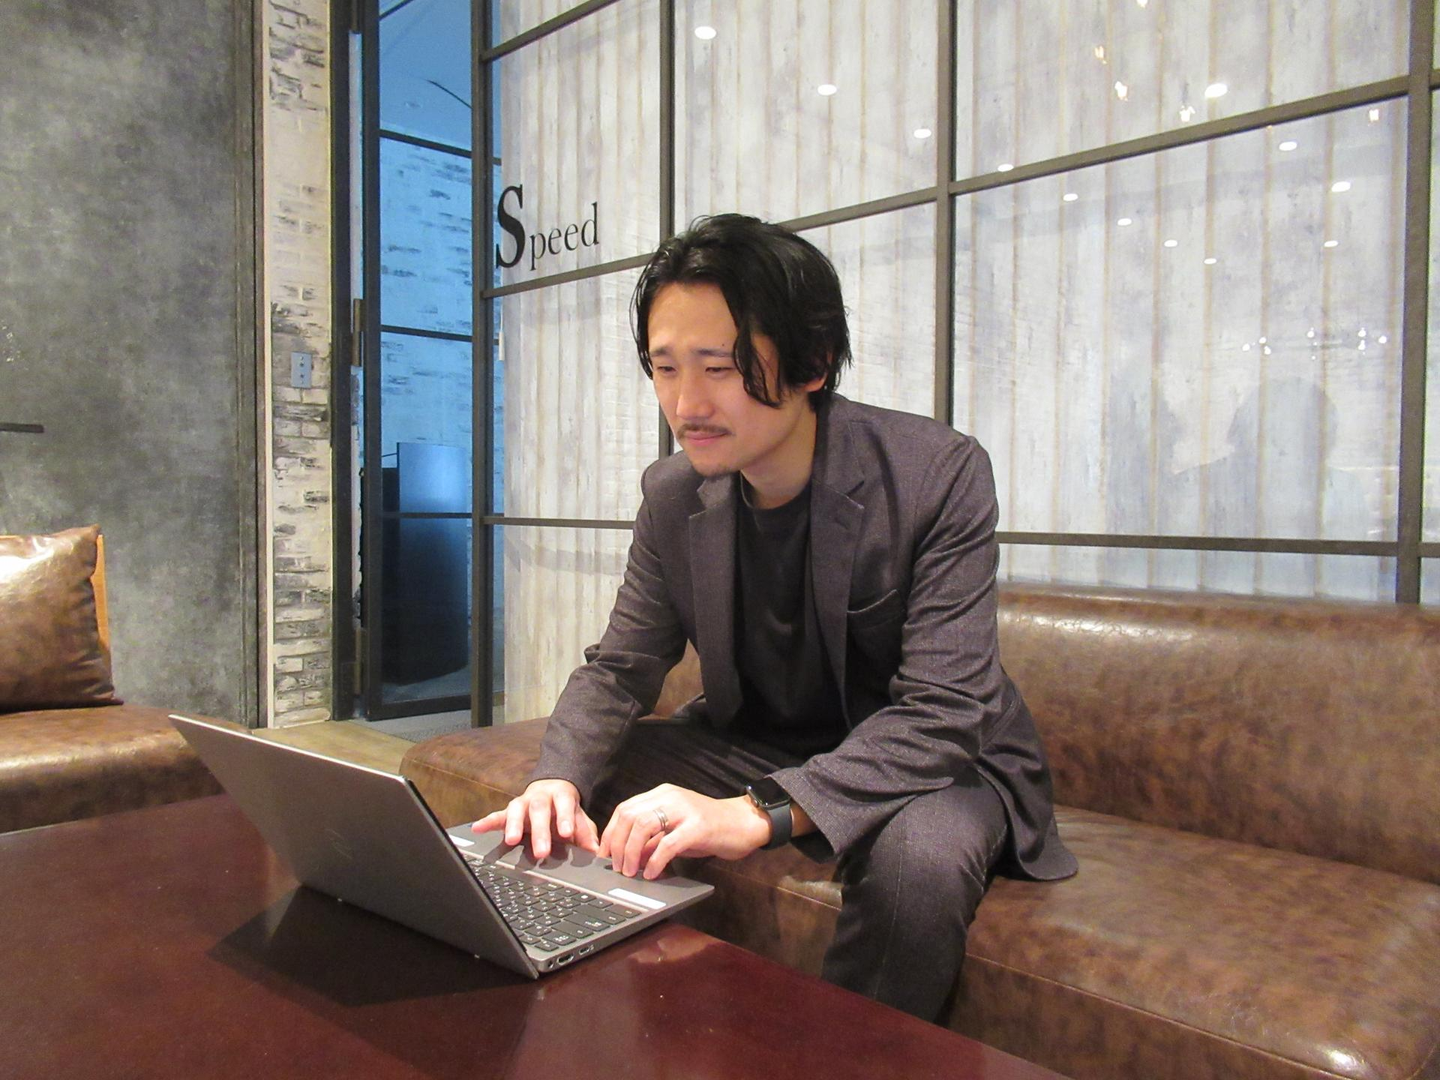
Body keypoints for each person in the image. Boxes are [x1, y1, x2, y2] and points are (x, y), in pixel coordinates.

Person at [474, 213, 1076, 1020]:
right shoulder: (673, 495)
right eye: (664, 367)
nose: (686, 403)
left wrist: (753, 813)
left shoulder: (934, 474)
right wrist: (557, 778)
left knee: (919, 864)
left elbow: (944, 711)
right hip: (758, 742)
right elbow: (620, 667)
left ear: (813, 361)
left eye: (719, 368)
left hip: (929, 763)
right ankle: (610, 1019)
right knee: (573, 788)